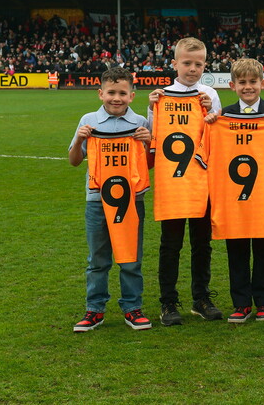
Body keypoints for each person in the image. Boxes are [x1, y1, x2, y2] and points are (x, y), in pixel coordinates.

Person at [202, 58, 264, 324]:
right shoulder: (223, 116)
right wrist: (211, 123)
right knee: (237, 250)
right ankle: (241, 303)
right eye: (242, 82)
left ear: (263, 84)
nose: (248, 87)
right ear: (232, 85)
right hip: (233, 198)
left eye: (253, 82)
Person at [69, 67, 153, 332]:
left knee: (130, 258)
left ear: (132, 96)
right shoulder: (89, 120)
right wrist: (80, 140)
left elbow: (148, 165)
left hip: (131, 200)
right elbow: (74, 161)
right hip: (96, 200)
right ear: (100, 93)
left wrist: (149, 142)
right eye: (111, 92)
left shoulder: (140, 122)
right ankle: (94, 310)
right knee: (98, 259)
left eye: (122, 93)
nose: (116, 98)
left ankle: (132, 307)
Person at [147, 37, 224, 325]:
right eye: (187, 63)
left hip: (202, 182)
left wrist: (211, 112)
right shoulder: (161, 94)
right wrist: (152, 107)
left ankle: (201, 298)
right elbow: (154, 135)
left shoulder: (209, 94)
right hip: (172, 183)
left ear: (206, 65)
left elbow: (217, 136)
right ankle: (168, 302)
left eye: (198, 64)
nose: (192, 69)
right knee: (171, 244)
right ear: (174, 63)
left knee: (202, 244)